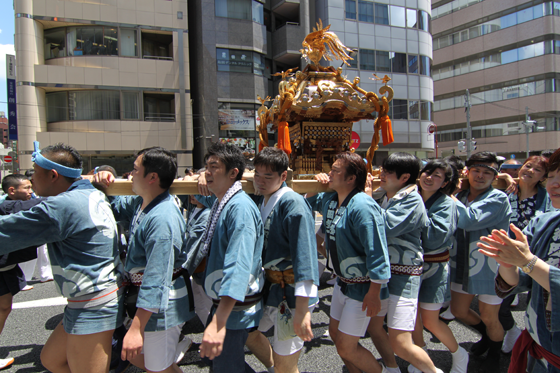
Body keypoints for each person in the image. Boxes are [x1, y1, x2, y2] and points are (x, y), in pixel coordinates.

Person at [0, 142, 123, 373]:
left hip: (93, 304)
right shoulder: (89, 192)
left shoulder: (61, 206)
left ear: (53, 175)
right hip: (95, 296)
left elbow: (6, 232)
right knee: (51, 360)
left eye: (35, 172)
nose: (32, 179)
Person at [94, 147, 195, 373]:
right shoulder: (143, 202)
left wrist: (137, 328)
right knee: (152, 363)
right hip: (148, 301)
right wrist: (103, 179)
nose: (130, 175)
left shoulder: (163, 218)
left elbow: (156, 277)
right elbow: (117, 208)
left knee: (155, 367)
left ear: (152, 177)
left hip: (162, 305)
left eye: (135, 170)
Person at [478, 147, 560, 373]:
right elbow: (522, 281)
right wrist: (507, 264)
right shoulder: (543, 223)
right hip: (540, 345)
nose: (555, 184)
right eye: (552, 176)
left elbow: (532, 267)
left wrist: (527, 261)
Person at [308, 152, 391, 373]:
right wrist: (314, 185)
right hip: (342, 282)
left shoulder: (363, 205)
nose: (329, 173)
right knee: (335, 336)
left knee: (346, 347)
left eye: (335, 170)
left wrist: (374, 293)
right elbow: (307, 202)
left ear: (351, 178)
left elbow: (378, 252)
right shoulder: (332, 200)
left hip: (363, 287)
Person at [243, 147, 318, 373]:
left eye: (268, 176)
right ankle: (273, 367)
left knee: (286, 361)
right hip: (271, 288)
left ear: (283, 176)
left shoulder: (292, 204)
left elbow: (305, 255)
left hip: (294, 291)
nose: (260, 181)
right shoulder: (262, 199)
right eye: (257, 174)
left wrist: (303, 311)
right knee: (248, 331)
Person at [367, 152, 442, 373]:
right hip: (382, 273)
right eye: (383, 169)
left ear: (404, 177)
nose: (382, 174)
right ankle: (392, 368)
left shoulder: (413, 200)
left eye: (388, 172)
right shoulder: (383, 195)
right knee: (374, 326)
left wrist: (367, 197)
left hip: (404, 274)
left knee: (401, 341)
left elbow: (385, 227)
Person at [195, 142, 265, 373]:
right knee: (223, 364)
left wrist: (219, 321)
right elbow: (199, 194)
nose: (207, 172)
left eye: (214, 167)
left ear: (233, 173)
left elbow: (239, 265)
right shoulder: (223, 201)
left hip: (233, 307)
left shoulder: (240, 208)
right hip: (227, 304)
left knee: (226, 367)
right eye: (206, 166)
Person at [449, 151, 512, 372]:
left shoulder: (498, 198)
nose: (481, 176)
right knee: (458, 310)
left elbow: (467, 220)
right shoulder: (463, 195)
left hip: (490, 265)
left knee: (489, 315)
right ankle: (487, 337)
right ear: (468, 172)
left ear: (495, 176)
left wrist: (449, 194)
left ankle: (495, 354)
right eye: (476, 170)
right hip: (461, 262)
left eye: (487, 172)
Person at [409, 160, 469, 373]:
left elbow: (435, 238)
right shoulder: (409, 195)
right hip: (409, 266)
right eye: (427, 172)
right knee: (412, 315)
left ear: (445, 183)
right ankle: (420, 354)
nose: (429, 177)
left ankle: (459, 353)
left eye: (437, 175)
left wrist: (411, 220)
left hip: (434, 266)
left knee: (431, 320)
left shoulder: (447, 203)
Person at [498, 155, 550, 354]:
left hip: (537, 258)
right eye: (528, 166)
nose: (530, 171)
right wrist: (505, 175)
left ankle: (533, 346)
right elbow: (474, 176)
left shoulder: (546, 198)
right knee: (499, 306)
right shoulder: (507, 189)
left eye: (537, 170)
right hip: (508, 256)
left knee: (536, 308)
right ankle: (512, 331)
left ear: (543, 177)